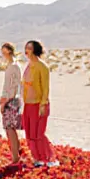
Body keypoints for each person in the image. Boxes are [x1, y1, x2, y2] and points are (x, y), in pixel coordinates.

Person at [22, 40, 58, 168]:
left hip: (39, 105)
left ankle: (49, 158)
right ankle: (37, 158)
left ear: (35, 50)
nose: (26, 50)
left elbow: (45, 88)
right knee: (30, 134)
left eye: (29, 48)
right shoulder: (28, 65)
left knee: (39, 134)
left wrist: (43, 105)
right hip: (28, 105)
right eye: (26, 48)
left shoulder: (43, 67)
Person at [0, 42, 24, 165]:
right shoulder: (11, 65)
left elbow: (14, 87)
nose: (3, 53)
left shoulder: (14, 66)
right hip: (10, 99)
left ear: (9, 50)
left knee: (10, 128)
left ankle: (15, 157)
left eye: (4, 51)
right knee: (10, 128)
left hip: (11, 101)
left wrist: (5, 102)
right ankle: (16, 155)